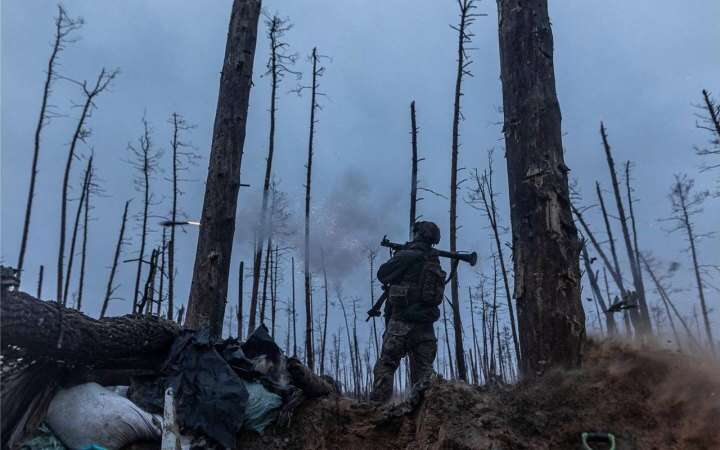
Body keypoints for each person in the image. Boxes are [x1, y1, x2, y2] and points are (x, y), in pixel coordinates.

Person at [370, 221, 447, 402]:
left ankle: (376, 412)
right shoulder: (434, 261)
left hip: (401, 322)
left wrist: (400, 255)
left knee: (386, 365)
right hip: (426, 326)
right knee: (426, 370)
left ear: (418, 234)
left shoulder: (408, 255)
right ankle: (432, 409)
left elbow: (383, 274)